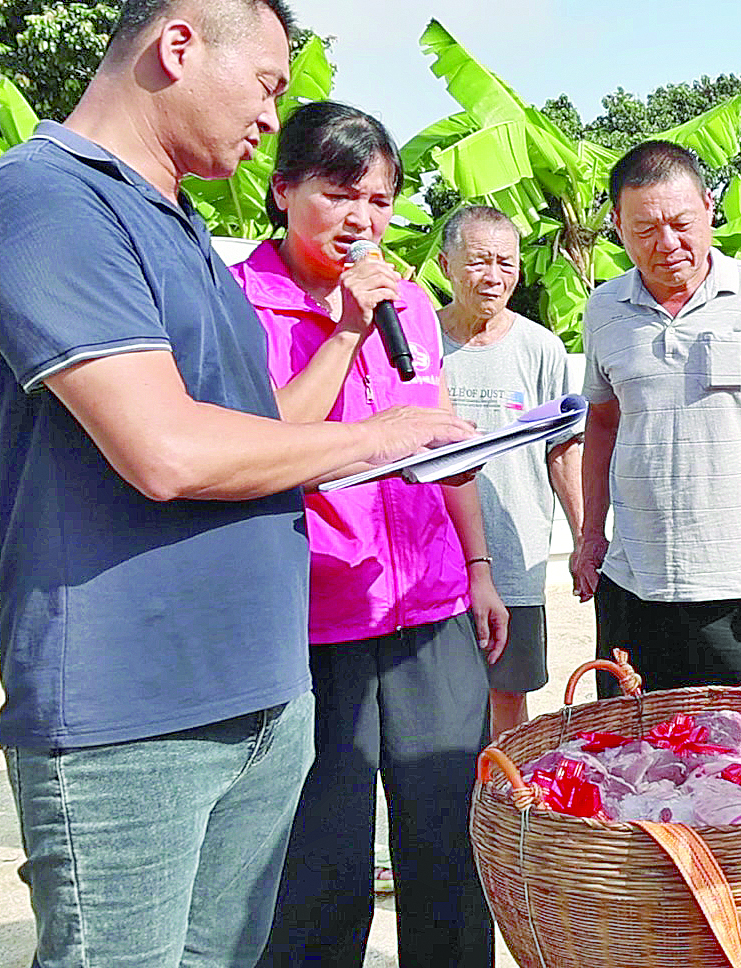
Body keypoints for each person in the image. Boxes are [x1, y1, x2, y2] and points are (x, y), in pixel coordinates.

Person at [0, 0, 471, 968]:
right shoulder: (45, 201)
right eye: (268, 85)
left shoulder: (178, 227)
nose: (273, 115)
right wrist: (382, 435)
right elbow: (168, 451)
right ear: (177, 47)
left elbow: (259, 430)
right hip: (133, 719)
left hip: (256, 701)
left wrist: (356, 352)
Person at [229, 101, 500, 968]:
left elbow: (436, 433)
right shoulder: (238, 302)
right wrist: (346, 329)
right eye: (341, 195)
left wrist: (481, 567)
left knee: (451, 845)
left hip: (429, 608)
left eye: (380, 201)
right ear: (281, 192)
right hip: (314, 622)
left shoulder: (410, 304)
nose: (364, 220)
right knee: (322, 859)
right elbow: (258, 447)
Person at [573, 141, 741, 695]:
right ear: (616, 225)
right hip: (634, 587)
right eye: (644, 230)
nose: (667, 245)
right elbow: (602, 425)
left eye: (682, 223)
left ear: (710, 207)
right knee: (634, 763)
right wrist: (591, 535)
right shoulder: (604, 309)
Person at [436, 203, 585, 739]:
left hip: (516, 556)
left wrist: (585, 539)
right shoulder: (420, 343)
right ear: (446, 264)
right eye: (479, 261)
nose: (494, 276)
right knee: (442, 700)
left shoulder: (540, 348)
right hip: (436, 560)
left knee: (508, 696)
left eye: (507, 262)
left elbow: (563, 450)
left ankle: (498, 804)